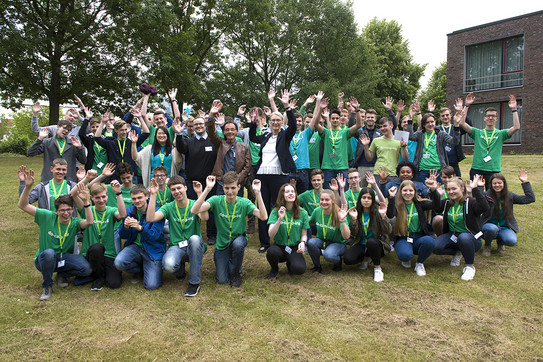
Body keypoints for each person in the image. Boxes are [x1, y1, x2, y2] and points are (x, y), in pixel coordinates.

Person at [18, 168, 93, 301]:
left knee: (86, 269)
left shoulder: (74, 222)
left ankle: (61, 274)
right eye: (62, 210)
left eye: (69, 210)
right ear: (56, 211)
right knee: (49, 254)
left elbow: (89, 222)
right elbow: (23, 205)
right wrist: (27, 187)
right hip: (44, 259)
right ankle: (47, 285)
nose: (66, 213)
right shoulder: (46, 216)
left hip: (64, 257)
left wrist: (86, 202)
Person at [191, 172, 268, 287]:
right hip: (222, 243)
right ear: (223, 188)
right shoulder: (216, 200)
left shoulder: (244, 202)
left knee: (237, 245)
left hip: (239, 239)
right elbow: (195, 210)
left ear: (239, 187)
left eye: (233, 188)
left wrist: (258, 193)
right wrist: (207, 189)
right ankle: (230, 260)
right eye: (227, 188)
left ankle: (236, 273)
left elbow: (263, 216)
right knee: (221, 280)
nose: (230, 191)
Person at [249, 90, 296, 253]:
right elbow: (253, 137)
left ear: (282, 122)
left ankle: (282, 238)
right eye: (273, 120)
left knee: (279, 207)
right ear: (269, 122)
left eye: (278, 120)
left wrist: (287, 106)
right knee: (263, 208)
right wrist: (253, 123)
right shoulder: (265, 136)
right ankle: (264, 241)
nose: (275, 122)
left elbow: (294, 125)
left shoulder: (285, 135)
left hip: (279, 176)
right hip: (262, 176)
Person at [146, 176, 208, 297]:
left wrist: (199, 193)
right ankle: (180, 270)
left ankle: (194, 283)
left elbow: (205, 218)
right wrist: (153, 195)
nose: (177, 192)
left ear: (185, 188)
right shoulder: (169, 207)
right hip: (177, 246)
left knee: (194, 239)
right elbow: (150, 218)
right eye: (173, 189)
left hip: (194, 245)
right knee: (168, 266)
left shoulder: (194, 204)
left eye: (179, 188)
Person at [459, 94, 521, 189]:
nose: (490, 118)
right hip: (477, 170)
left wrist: (514, 109)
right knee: (476, 197)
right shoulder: (477, 132)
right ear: (484, 118)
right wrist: (466, 105)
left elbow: (516, 127)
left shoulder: (501, 134)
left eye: (493, 116)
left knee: (491, 198)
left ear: (496, 118)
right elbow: (462, 123)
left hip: (493, 170)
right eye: (488, 116)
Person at [433, 175, 489, 280]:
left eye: (454, 189)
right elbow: (435, 207)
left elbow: (484, 207)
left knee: (463, 237)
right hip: (453, 235)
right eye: (448, 189)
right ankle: (458, 252)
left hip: (471, 238)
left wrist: (475, 188)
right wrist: (434, 192)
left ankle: (470, 267)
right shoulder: (447, 202)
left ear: (462, 189)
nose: (451, 192)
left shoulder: (470, 202)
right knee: (435, 247)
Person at [175, 113, 218, 245]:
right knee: (193, 209)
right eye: (195, 125)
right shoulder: (188, 141)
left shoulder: (213, 140)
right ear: (192, 127)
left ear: (205, 125)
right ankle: (192, 234)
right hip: (192, 182)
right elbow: (180, 147)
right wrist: (178, 134)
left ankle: (212, 234)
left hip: (210, 182)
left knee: (210, 209)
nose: (198, 126)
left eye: (200, 124)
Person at [76, 182, 127, 291]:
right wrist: (85, 199)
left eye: (103, 196)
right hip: (91, 253)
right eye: (97, 197)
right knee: (97, 248)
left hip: (108, 253)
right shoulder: (87, 210)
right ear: (92, 198)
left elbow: (122, 215)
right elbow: (73, 195)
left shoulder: (111, 211)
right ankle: (98, 278)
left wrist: (118, 194)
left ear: (107, 196)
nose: (101, 200)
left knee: (115, 283)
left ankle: (98, 274)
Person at [114, 185, 166, 290]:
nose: (137, 201)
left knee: (152, 286)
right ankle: (139, 270)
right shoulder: (129, 211)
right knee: (119, 263)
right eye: (134, 198)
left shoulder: (157, 211)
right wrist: (125, 227)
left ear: (147, 196)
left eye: (139, 197)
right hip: (135, 247)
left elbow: (154, 236)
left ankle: (151, 268)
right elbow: (123, 235)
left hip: (153, 249)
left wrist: (140, 228)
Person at [387, 178, 440, 276]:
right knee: (405, 255)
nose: (408, 193)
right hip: (403, 238)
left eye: (411, 190)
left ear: (415, 192)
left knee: (430, 241)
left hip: (419, 237)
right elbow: (390, 215)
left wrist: (433, 190)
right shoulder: (397, 204)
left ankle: (419, 263)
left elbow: (436, 205)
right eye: (405, 190)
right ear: (400, 192)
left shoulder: (419, 203)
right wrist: (391, 198)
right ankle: (407, 254)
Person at [312, 91, 363, 188]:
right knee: (329, 192)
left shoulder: (345, 132)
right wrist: (320, 109)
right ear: (330, 119)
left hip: (342, 167)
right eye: (333, 118)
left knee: (342, 192)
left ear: (340, 119)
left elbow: (359, 124)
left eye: (337, 118)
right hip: (327, 168)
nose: (335, 120)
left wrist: (357, 109)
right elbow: (315, 124)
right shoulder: (326, 132)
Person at [481, 170, 535, 256]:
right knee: (492, 229)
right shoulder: (486, 196)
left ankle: (500, 242)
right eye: (494, 183)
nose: (497, 185)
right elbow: (478, 201)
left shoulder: (510, 196)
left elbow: (530, 199)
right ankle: (487, 245)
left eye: (499, 183)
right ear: (491, 185)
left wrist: (525, 182)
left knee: (511, 241)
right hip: (488, 226)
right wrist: (480, 187)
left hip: (504, 227)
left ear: (504, 184)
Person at [344, 188, 392, 282]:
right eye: (364, 197)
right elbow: (353, 233)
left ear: (373, 200)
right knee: (348, 259)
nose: (366, 200)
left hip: (376, 244)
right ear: (360, 199)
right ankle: (366, 258)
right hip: (361, 243)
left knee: (371, 242)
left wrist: (383, 216)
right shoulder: (356, 211)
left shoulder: (378, 211)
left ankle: (377, 268)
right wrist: (353, 220)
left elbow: (388, 231)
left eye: (369, 198)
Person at [206, 100, 252, 195]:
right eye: (227, 130)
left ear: (236, 131)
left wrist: (237, 179)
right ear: (223, 132)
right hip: (221, 183)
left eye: (232, 129)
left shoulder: (244, 147)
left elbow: (247, 166)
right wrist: (211, 115)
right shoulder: (220, 143)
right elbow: (211, 133)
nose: (230, 132)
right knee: (221, 207)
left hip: (237, 184)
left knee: (237, 208)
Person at [266, 184, 310, 278]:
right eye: (287, 192)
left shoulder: (303, 213)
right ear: (282, 195)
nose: (291, 193)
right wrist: (279, 219)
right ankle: (274, 269)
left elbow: (304, 234)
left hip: (294, 247)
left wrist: (303, 242)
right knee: (271, 252)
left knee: (299, 269)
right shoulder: (275, 212)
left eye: (292, 191)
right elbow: (270, 234)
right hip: (280, 246)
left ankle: (290, 263)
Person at [406, 111, 461, 183]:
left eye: (432, 122)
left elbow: (455, 141)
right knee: (423, 192)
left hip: (437, 170)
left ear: (435, 122)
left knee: (438, 191)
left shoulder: (440, 134)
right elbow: (410, 136)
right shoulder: (420, 134)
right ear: (424, 124)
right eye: (427, 122)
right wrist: (410, 120)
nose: (430, 124)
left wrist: (456, 125)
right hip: (422, 170)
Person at [307, 190, 351, 273]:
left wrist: (342, 221)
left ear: (333, 201)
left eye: (327, 200)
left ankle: (338, 262)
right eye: (322, 199)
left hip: (338, 243)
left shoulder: (339, 213)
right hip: (322, 240)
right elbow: (309, 223)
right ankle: (317, 266)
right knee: (311, 242)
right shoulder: (317, 211)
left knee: (329, 255)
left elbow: (347, 236)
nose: (324, 202)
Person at [360, 117, 409, 183]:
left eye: (385, 126)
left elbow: (405, 159)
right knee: (377, 193)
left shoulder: (399, 140)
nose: (383, 128)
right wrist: (365, 146)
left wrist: (403, 147)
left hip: (393, 174)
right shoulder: (376, 140)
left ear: (391, 126)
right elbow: (369, 158)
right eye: (381, 127)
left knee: (392, 193)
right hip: (378, 173)